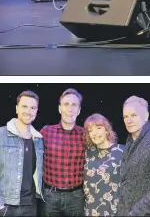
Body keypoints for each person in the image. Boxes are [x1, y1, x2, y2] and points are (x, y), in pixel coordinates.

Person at [0, 90, 44, 216]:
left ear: (36, 111)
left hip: (30, 206)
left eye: (33, 107)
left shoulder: (38, 140)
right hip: (5, 206)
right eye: (24, 106)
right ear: (17, 109)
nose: (28, 111)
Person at [40, 88, 86, 216]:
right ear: (60, 108)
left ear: (79, 110)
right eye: (66, 104)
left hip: (76, 197)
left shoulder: (85, 134)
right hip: (50, 196)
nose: (70, 109)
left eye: (74, 105)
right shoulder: (46, 132)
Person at [83, 113, 125, 216]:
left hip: (114, 211)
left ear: (106, 129)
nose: (94, 133)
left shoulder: (123, 151)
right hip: (91, 210)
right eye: (90, 130)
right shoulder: (87, 153)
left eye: (98, 128)